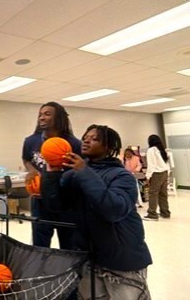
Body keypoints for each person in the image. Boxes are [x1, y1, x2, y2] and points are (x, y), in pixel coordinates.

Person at [42, 125, 152, 299]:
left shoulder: (122, 176)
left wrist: (84, 172)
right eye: (85, 137)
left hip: (122, 260)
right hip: (88, 259)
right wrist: (51, 175)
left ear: (108, 147)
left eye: (95, 139)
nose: (86, 140)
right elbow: (56, 206)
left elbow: (114, 210)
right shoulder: (73, 175)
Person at [21, 101, 81, 249]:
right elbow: (26, 159)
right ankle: (41, 271)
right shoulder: (30, 141)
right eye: (40, 114)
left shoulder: (74, 144)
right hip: (39, 202)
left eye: (47, 114)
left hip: (66, 202)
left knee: (69, 245)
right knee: (40, 245)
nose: (41, 117)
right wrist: (31, 170)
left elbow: (80, 170)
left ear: (59, 118)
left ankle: (67, 271)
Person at [143, 134, 171, 221]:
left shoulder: (151, 150)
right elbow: (166, 163)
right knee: (163, 194)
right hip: (165, 172)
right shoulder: (162, 149)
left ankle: (152, 214)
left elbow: (152, 165)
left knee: (153, 193)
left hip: (157, 173)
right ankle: (165, 212)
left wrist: (148, 177)